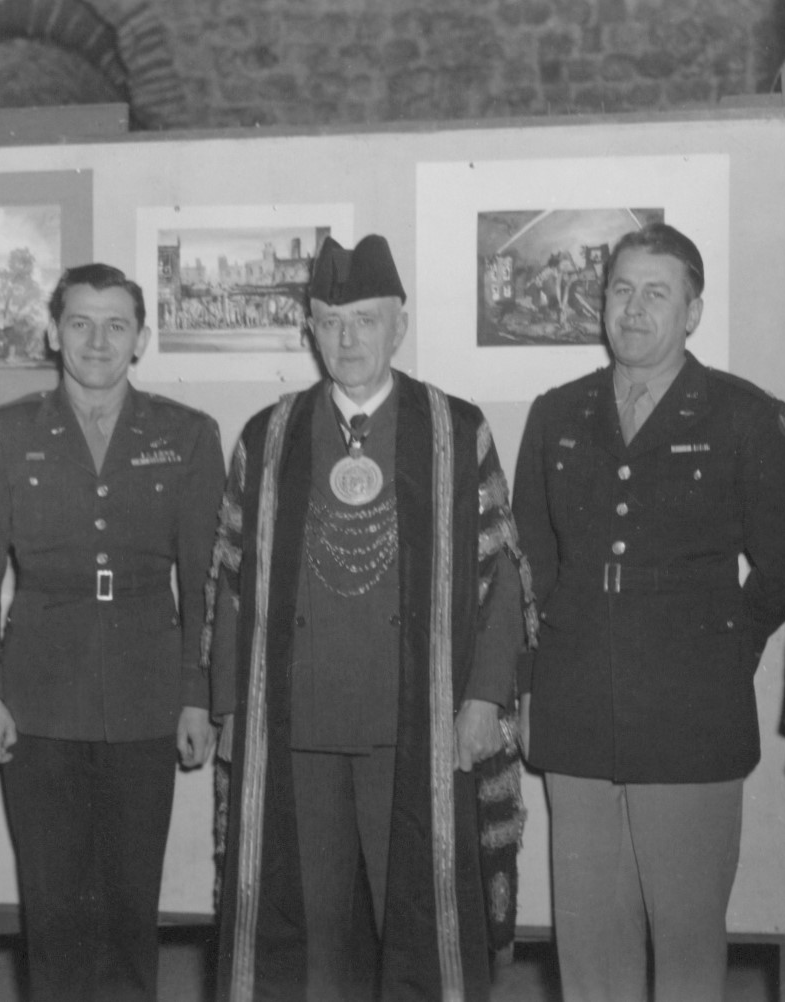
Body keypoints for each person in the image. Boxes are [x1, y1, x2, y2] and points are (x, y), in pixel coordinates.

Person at [205, 234, 534, 1002]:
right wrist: (227, 706)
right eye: (328, 321)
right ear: (310, 331)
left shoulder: (454, 429)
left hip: (415, 725)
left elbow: (501, 578)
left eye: (364, 320)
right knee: (308, 932)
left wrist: (484, 700)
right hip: (295, 728)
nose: (346, 339)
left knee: (418, 922)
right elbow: (228, 579)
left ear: (399, 324)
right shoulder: (269, 433)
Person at [512, 222, 785, 1002]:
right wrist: (530, 685)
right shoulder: (556, 414)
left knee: (684, 939)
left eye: (656, 293)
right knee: (589, 942)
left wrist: (721, 648)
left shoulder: (745, 416)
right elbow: (529, 565)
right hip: (575, 707)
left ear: (692, 311)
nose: (633, 310)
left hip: (690, 714)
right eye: (620, 290)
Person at [0, 263, 223, 1002]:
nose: (97, 340)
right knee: (53, 900)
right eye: (79, 322)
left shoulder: (187, 434)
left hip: (146, 686)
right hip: (38, 688)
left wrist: (198, 695)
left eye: (116, 325)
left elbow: (203, 581)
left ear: (141, 340)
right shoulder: (2, 434)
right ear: (52, 331)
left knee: (133, 899)